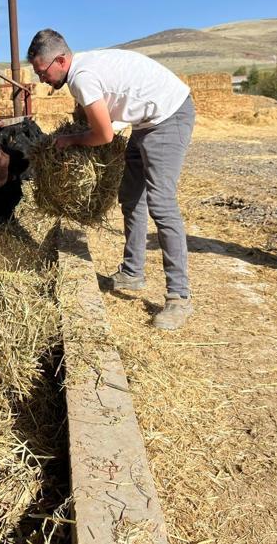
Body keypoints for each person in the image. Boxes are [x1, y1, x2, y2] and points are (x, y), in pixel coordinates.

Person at [27, 28, 196, 330]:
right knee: (131, 197)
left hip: (169, 117)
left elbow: (103, 135)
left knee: (161, 204)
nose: (42, 79)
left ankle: (179, 298)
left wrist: (72, 140)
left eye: (43, 71)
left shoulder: (81, 77)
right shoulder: (82, 70)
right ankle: (133, 272)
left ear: (61, 60)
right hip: (144, 123)